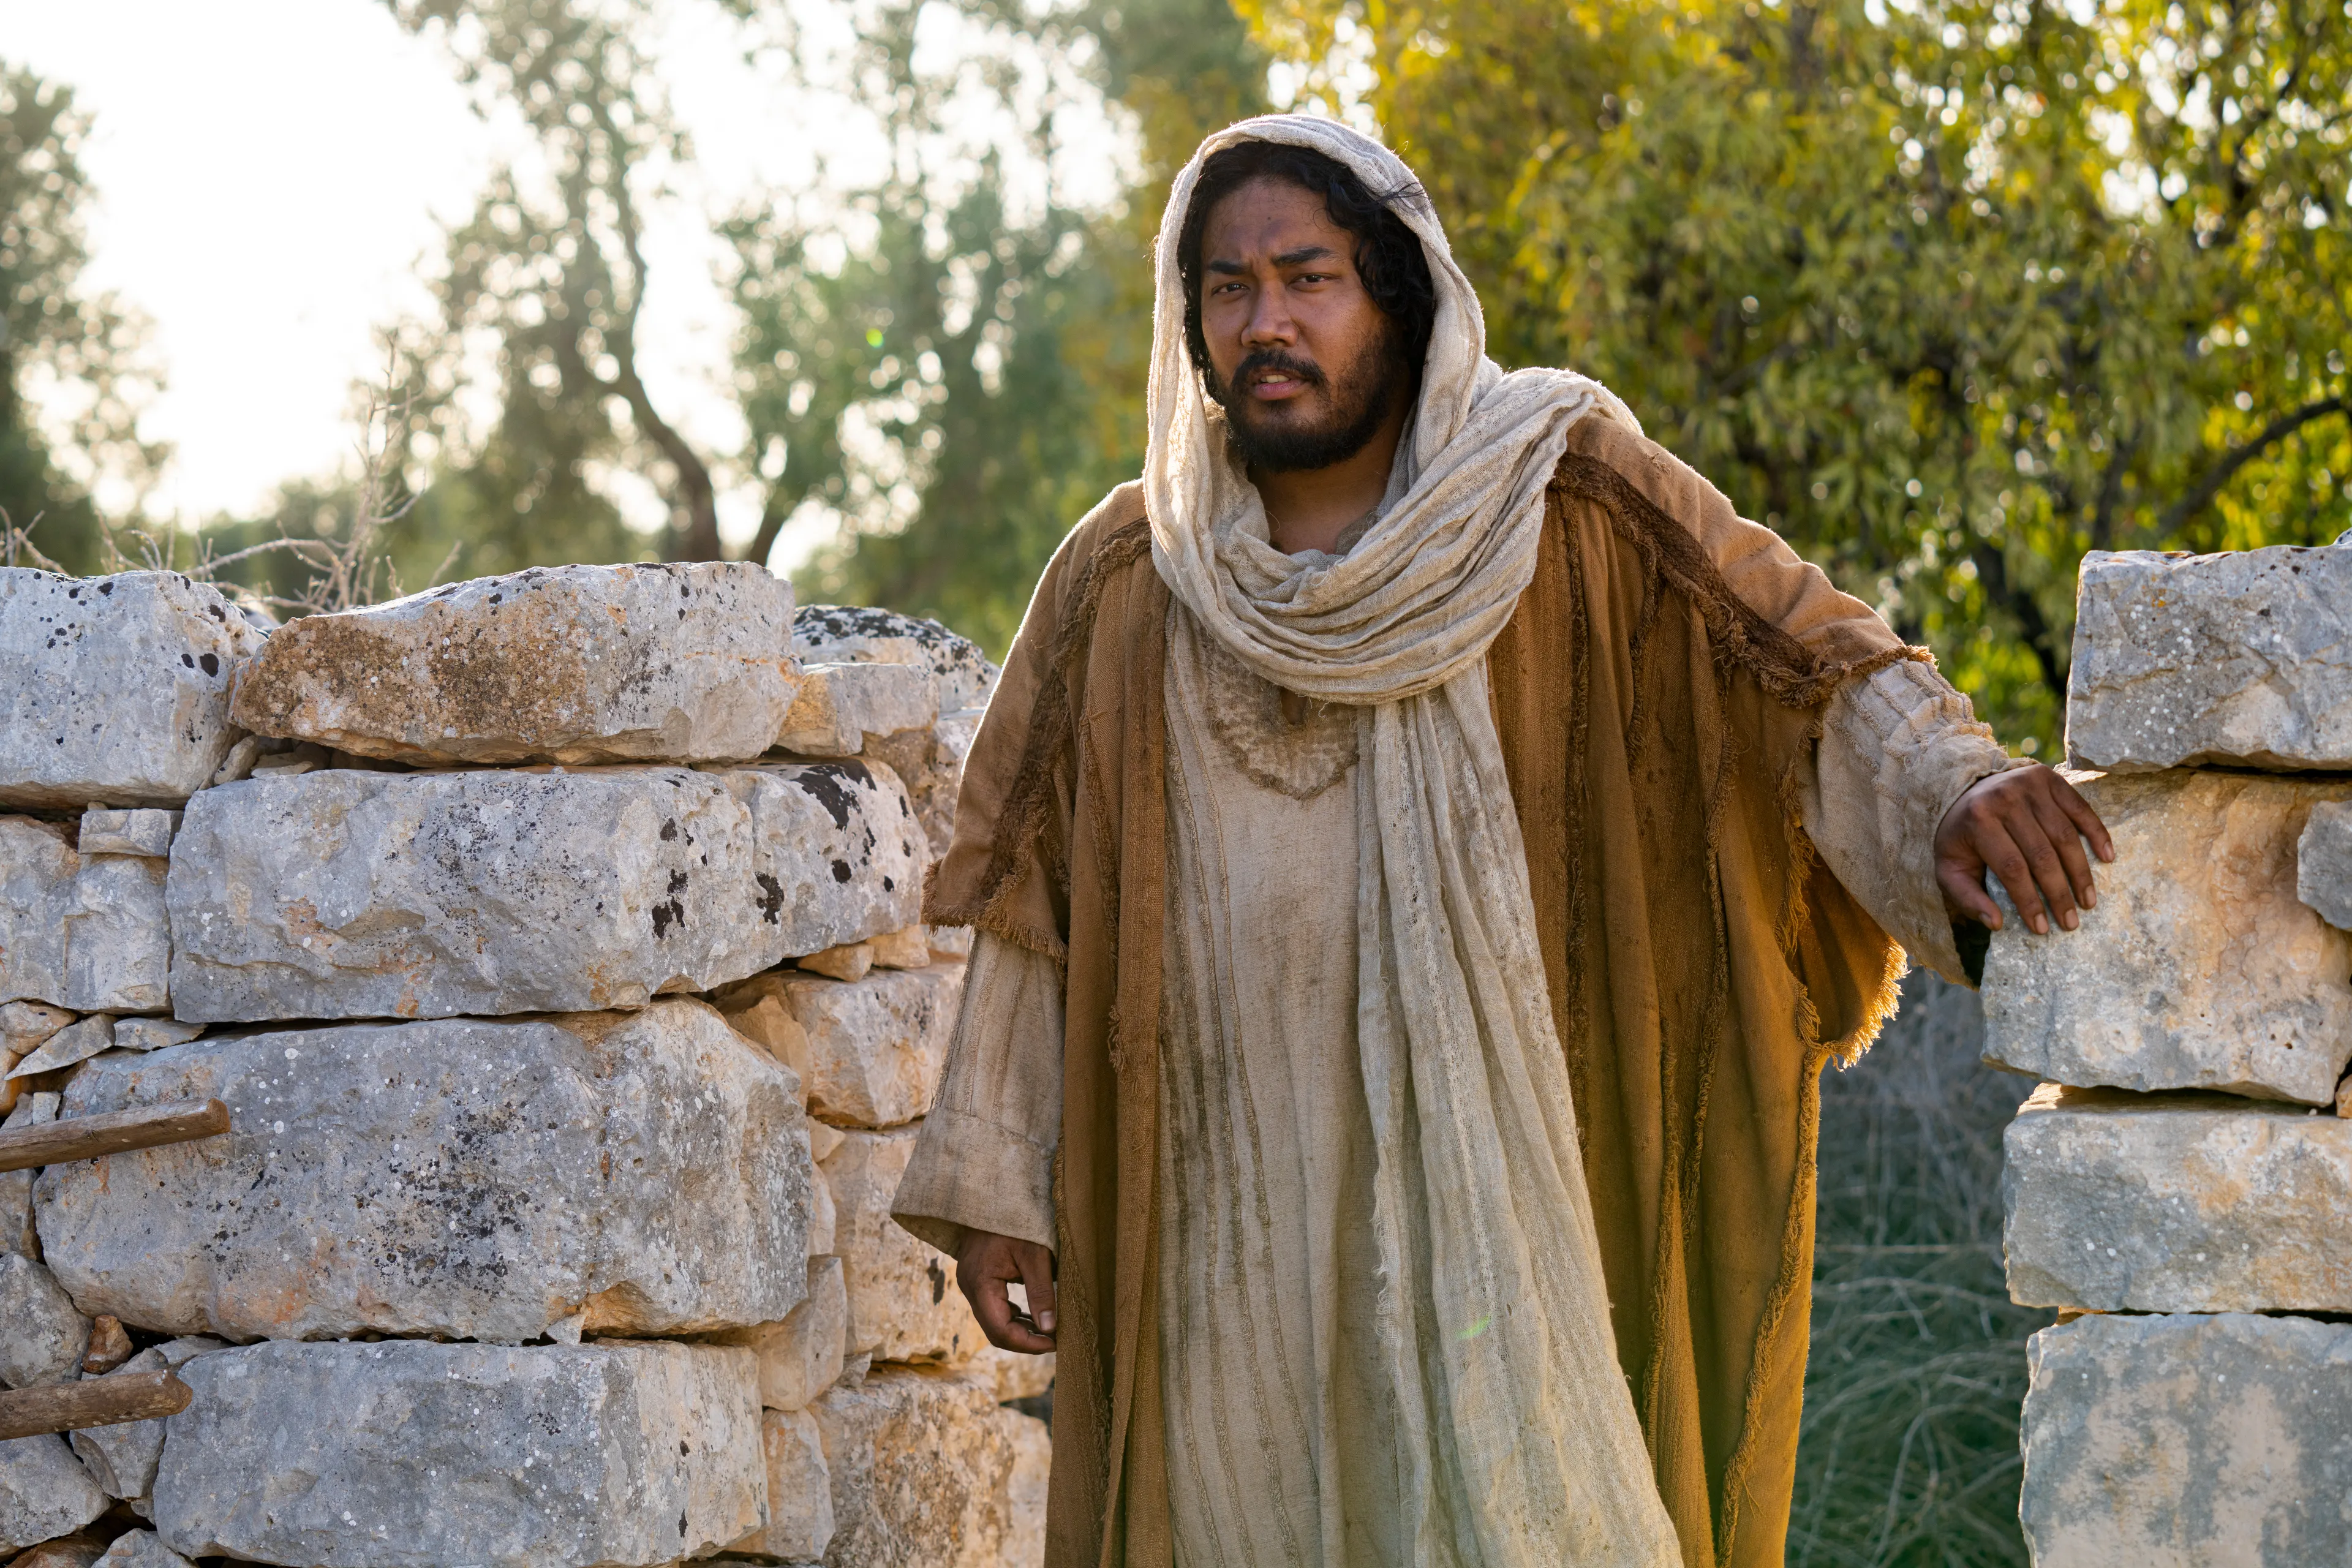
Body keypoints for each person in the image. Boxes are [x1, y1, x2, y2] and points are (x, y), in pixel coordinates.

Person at [890, 115, 2109, 1568]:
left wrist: (1955, 788)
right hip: (1224, 1237)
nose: (1266, 322)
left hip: (1516, 1241)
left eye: (1307, 277)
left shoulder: (1559, 494)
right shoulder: (1126, 578)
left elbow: (1789, 655)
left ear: (1398, 297)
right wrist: (995, 1187)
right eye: (1227, 288)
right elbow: (1037, 896)